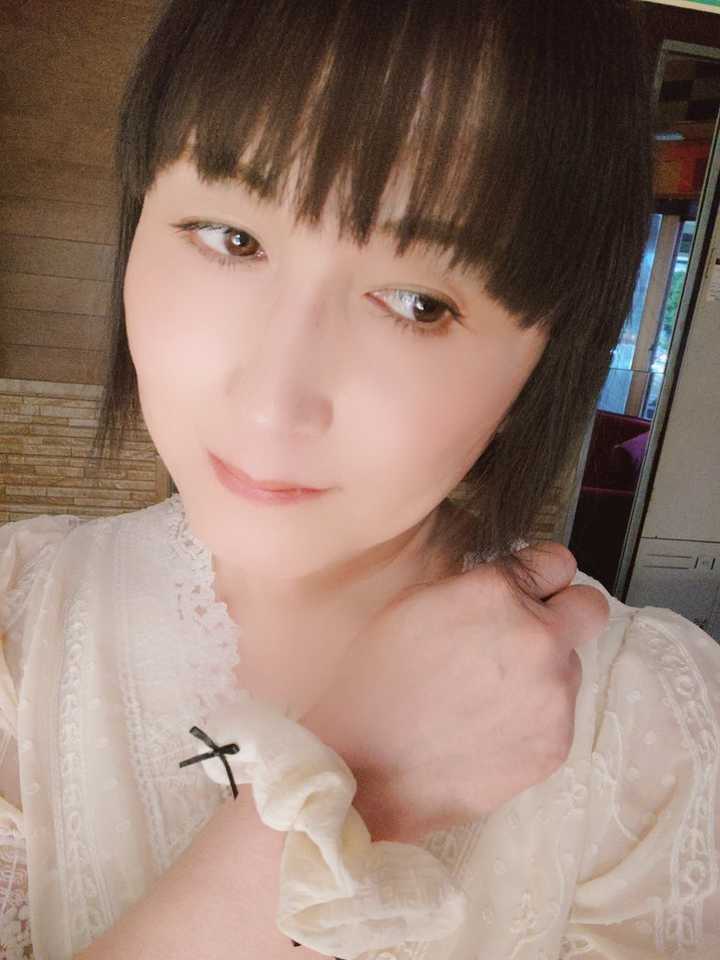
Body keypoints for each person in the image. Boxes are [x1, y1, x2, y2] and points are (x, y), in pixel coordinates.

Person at [1, 0, 719, 957]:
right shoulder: (17, 627)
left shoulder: (656, 731)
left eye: (417, 303)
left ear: (545, 359)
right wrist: (364, 785)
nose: (273, 403)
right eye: (231, 238)